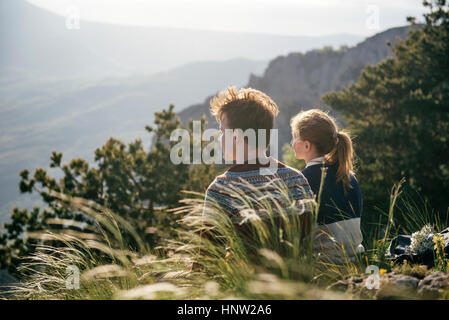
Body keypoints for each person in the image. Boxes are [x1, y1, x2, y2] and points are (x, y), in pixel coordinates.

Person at [198, 87, 314, 262]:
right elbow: (308, 244)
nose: (219, 138)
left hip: (245, 286)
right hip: (297, 283)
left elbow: (208, 258)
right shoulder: (297, 180)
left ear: (236, 137)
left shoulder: (222, 189)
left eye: (222, 131)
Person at [290, 109, 364, 263]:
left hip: (324, 263)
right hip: (356, 259)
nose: (292, 142)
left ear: (306, 146)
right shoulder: (349, 175)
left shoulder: (302, 179)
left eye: (295, 137)